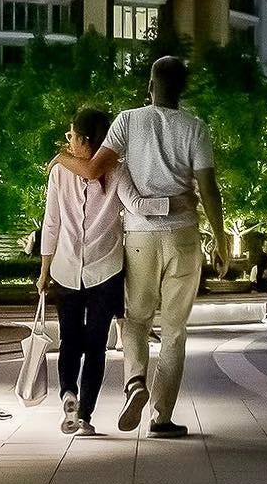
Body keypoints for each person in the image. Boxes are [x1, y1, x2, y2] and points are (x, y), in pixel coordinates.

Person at [52, 56, 229, 439]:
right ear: (183, 90)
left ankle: (135, 381)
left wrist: (60, 156)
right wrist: (222, 239)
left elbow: (93, 169)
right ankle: (161, 417)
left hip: (140, 237)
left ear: (150, 85)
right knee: (175, 330)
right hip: (183, 236)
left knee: (135, 318)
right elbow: (208, 190)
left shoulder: (128, 120)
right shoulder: (196, 129)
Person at [36, 108, 181, 436]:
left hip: (66, 270)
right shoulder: (117, 170)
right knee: (95, 344)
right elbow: (139, 206)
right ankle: (84, 415)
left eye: (72, 135)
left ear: (85, 141)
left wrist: (44, 270)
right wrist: (175, 203)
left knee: (69, 339)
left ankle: (68, 395)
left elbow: (51, 224)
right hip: (106, 273)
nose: (68, 140)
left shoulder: (60, 171)